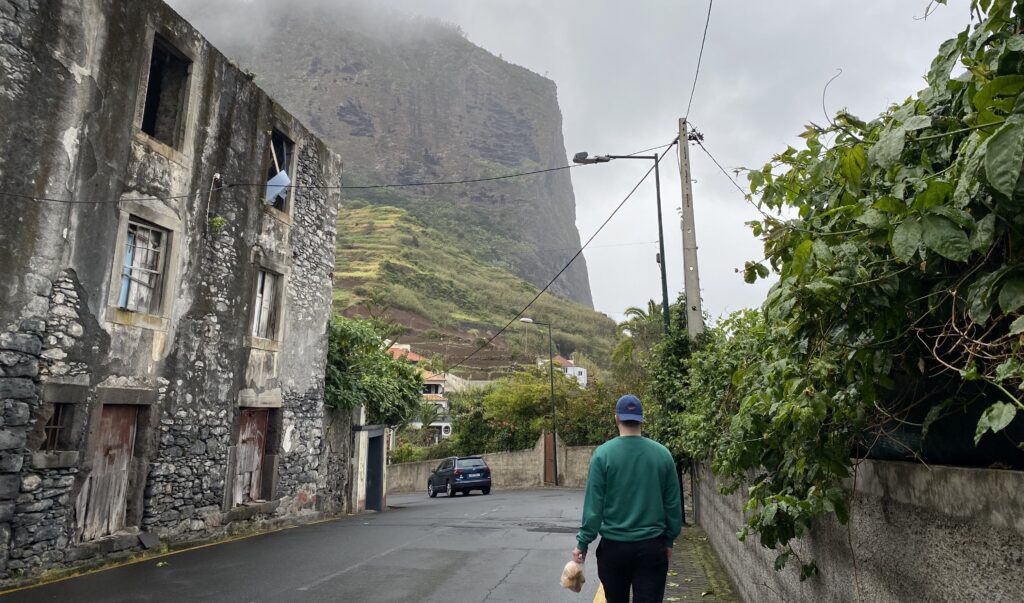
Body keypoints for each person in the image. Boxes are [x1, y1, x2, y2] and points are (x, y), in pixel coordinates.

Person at [572, 394, 682, 603]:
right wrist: (669, 540)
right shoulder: (663, 455)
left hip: (614, 549)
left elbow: (594, 508)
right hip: (652, 548)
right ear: (642, 420)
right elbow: (673, 504)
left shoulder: (602, 455)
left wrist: (583, 543)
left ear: (617, 419)